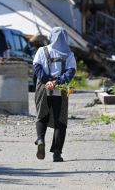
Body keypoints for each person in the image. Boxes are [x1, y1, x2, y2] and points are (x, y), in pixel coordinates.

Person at [33, 26, 76, 162]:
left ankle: (40, 139)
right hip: (61, 89)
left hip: (43, 87)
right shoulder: (69, 54)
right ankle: (57, 153)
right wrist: (57, 82)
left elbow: (37, 67)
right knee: (60, 120)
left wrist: (47, 81)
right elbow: (70, 72)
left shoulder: (42, 50)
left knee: (42, 115)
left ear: (51, 37)